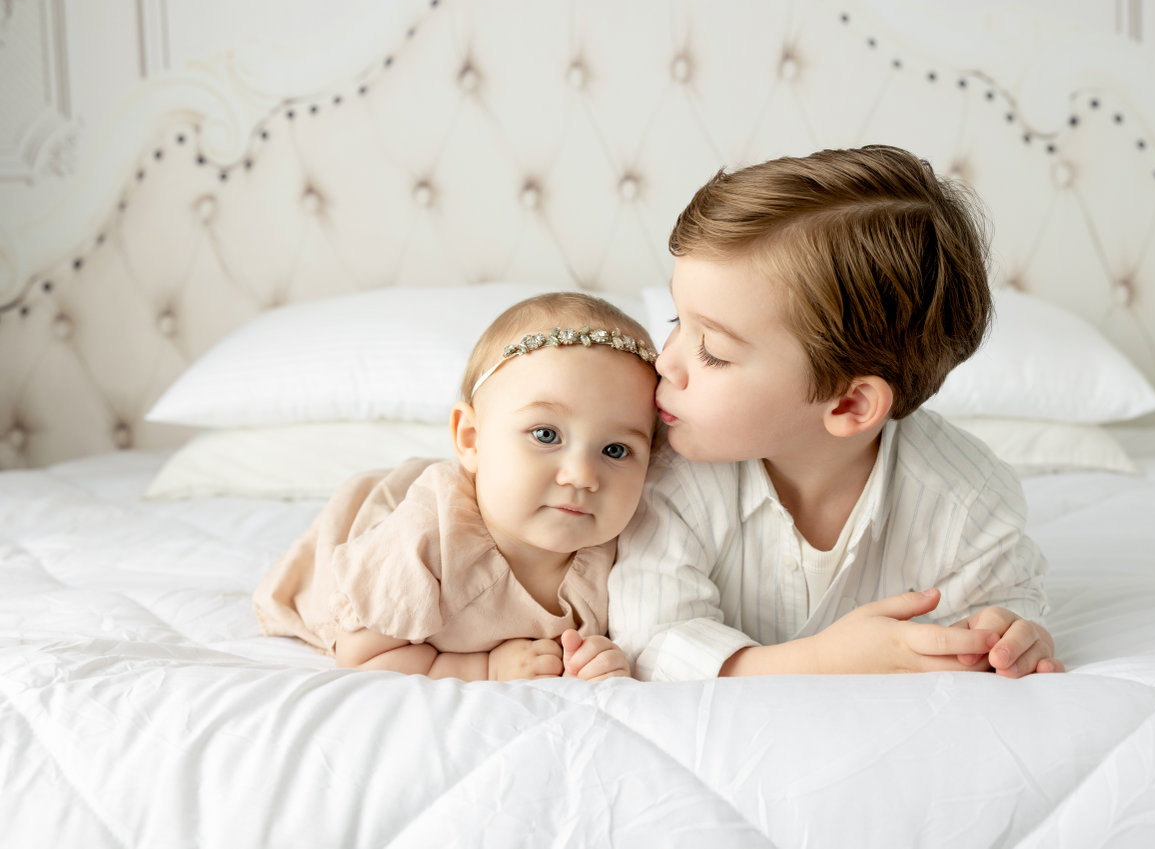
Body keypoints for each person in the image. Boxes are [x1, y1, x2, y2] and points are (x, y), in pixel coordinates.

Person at [608, 145, 1064, 682]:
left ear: (848, 404)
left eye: (712, 350)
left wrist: (1012, 634)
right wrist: (823, 661)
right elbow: (651, 641)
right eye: (674, 318)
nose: (666, 360)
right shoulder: (665, 473)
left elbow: (1009, 603)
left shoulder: (966, 499)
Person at [254, 292, 659, 682]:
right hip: (375, 526)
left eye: (615, 449)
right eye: (546, 435)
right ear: (470, 438)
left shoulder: (630, 543)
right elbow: (361, 656)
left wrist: (602, 658)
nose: (582, 475)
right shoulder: (424, 541)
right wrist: (484, 669)